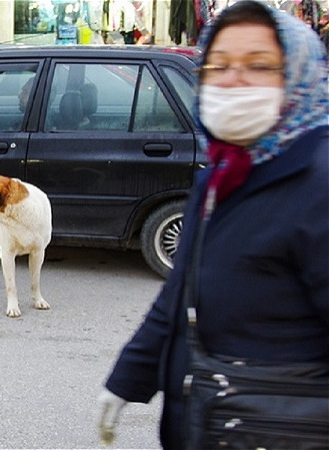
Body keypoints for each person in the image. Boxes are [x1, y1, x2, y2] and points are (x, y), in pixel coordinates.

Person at [96, 2, 328, 448]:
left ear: (297, 76)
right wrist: (127, 380)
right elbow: (180, 293)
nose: (233, 79)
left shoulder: (318, 181)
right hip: (209, 421)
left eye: (258, 65)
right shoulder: (223, 173)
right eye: (218, 65)